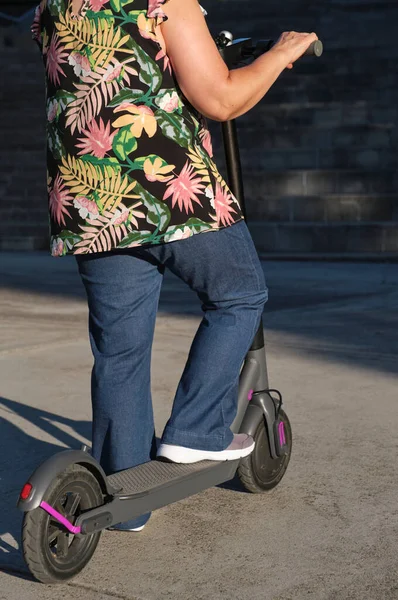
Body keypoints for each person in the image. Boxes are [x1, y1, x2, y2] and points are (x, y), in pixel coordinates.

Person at [32, 0, 317, 530]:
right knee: (239, 294)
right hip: (167, 191)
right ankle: (196, 431)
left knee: (120, 348)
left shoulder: (52, 6)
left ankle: (126, 492)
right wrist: (280, 54)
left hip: (91, 201)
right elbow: (221, 98)